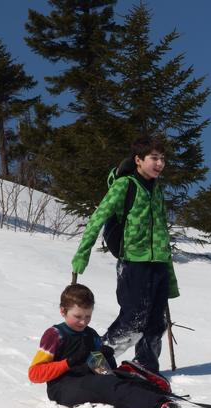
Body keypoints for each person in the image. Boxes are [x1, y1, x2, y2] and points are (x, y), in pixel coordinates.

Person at [71, 136, 179, 374]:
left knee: (156, 323)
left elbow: (162, 234)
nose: (160, 163)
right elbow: (98, 217)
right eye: (154, 158)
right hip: (134, 262)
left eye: (163, 159)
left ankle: (146, 367)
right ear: (138, 160)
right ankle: (94, 364)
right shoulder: (125, 185)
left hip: (158, 264)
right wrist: (83, 252)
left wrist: (170, 277)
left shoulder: (157, 191)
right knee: (132, 321)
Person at [28, 284, 183, 408]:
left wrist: (105, 359)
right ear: (63, 311)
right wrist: (68, 362)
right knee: (105, 385)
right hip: (62, 388)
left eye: (88, 316)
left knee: (123, 378)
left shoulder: (91, 334)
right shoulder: (55, 335)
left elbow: (102, 371)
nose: (83, 322)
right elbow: (35, 374)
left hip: (88, 379)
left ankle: (160, 396)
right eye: (78, 316)